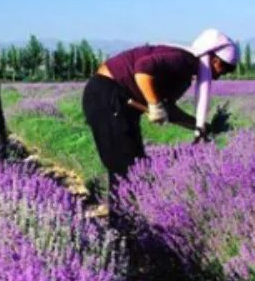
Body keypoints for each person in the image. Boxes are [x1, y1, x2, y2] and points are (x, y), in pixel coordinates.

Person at [82, 29, 238, 199]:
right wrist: (154, 104)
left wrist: (199, 127)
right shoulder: (185, 60)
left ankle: (130, 218)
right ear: (212, 58)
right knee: (124, 168)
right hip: (108, 94)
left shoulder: (185, 74)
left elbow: (168, 108)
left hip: (120, 102)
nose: (220, 75)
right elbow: (142, 70)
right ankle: (122, 222)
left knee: (136, 166)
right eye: (224, 68)